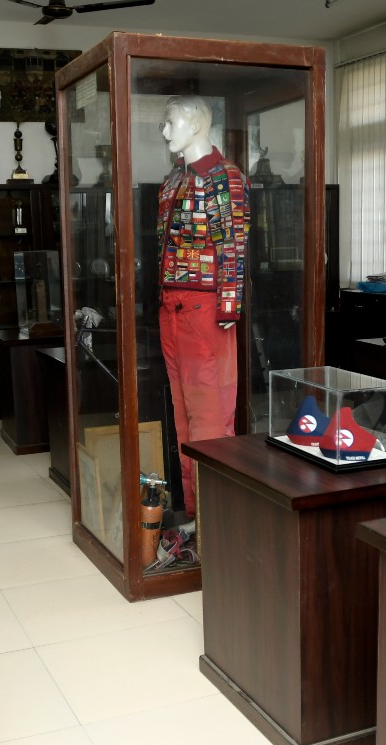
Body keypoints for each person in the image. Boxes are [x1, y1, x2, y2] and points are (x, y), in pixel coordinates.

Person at [156, 95, 250, 517]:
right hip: (171, 306)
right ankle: (196, 514)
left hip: (205, 308)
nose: (164, 131)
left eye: (170, 122)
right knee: (183, 414)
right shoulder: (174, 180)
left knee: (210, 415)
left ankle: (215, 517)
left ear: (195, 124)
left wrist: (229, 305)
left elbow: (233, 244)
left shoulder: (223, 176)